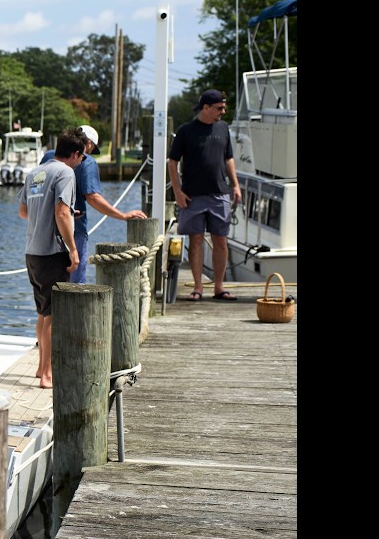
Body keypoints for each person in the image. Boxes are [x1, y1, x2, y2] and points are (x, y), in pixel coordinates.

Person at [38, 125, 147, 283]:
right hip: (73, 229)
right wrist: (123, 216)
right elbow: (93, 197)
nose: (88, 154)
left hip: (45, 231)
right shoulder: (87, 162)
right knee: (75, 287)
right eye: (92, 148)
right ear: (88, 143)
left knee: (48, 288)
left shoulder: (49, 156)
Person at [18, 128, 83, 389]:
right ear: (76, 154)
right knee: (54, 316)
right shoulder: (66, 172)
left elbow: (24, 211)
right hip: (52, 253)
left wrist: (52, 214)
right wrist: (73, 248)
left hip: (32, 252)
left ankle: (39, 369)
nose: (81, 163)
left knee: (43, 313)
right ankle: (47, 375)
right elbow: (61, 212)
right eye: (82, 158)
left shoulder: (37, 171)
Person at [167, 89, 242, 301]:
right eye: (219, 108)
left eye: (224, 107)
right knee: (197, 240)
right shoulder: (186, 130)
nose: (223, 111)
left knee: (221, 241)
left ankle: (219, 287)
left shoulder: (223, 128)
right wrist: (178, 191)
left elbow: (228, 158)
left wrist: (235, 185)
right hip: (193, 196)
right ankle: (198, 287)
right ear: (206, 108)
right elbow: (172, 162)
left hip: (220, 194)